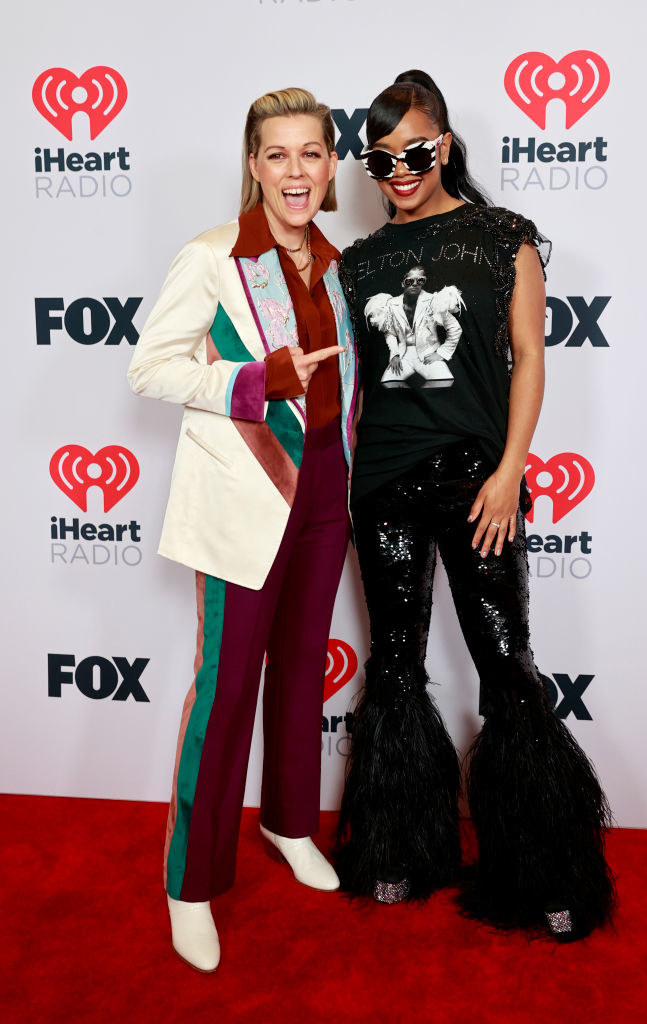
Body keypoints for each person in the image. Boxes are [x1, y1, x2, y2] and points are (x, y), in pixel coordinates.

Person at [334, 70, 614, 941]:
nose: (399, 172)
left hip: (475, 480)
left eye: (414, 152)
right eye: (380, 160)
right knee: (393, 663)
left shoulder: (502, 238)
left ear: (444, 143)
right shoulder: (358, 260)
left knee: (506, 664)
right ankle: (399, 850)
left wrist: (508, 469)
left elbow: (529, 356)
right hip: (380, 482)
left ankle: (541, 870)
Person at [128, 88, 357, 972]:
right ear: (252, 164)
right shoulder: (214, 256)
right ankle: (189, 885)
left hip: (328, 492)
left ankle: (291, 823)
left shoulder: (338, 263)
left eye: (311, 153)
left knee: (302, 672)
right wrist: (252, 378)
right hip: (245, 498)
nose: (295, 172)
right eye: (278, 155)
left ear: (330, 165)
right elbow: (151, 369)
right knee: (225, 692)